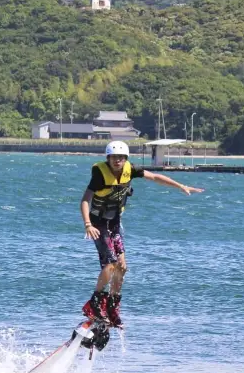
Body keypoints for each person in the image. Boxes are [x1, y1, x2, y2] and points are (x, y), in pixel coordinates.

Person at [80, 140, 204, 328]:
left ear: (125, 159)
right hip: (98, 224)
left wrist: (181, 186)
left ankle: (112, 307)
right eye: (114, 157)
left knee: (122, 266)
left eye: (121, 157)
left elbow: (154, 177)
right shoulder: (99, 175)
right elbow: (85, 200)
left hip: (114, 224)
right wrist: (88, 224)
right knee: (111, 265)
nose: (117, 161)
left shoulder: (130, 170)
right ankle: (95, 304)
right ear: (108, 158)